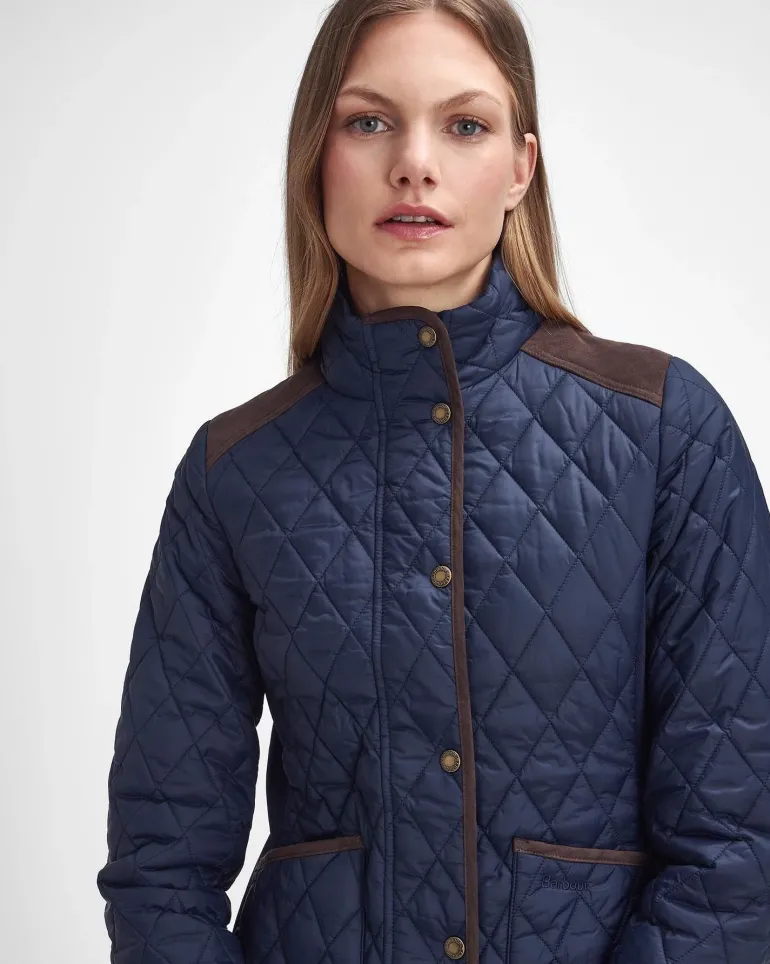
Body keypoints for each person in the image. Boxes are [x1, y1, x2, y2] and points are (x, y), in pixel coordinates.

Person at [96, 1, 770, 962]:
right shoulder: (233, 472)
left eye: (465, 125)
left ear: (521, 169)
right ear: (315, 157)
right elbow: (162, 868)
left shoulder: (664, 431)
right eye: (369, 121)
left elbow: (736, 846)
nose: (414, 163)